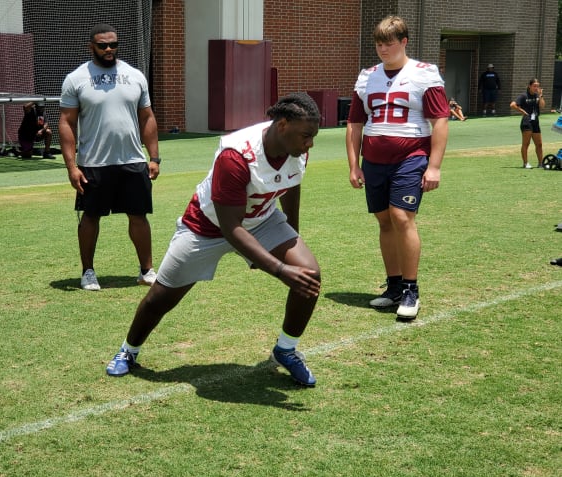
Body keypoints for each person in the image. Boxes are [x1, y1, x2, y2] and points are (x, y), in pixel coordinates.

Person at [105, 93, 322, 386]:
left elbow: (291, 183)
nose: (310, 143)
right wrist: (279, 269)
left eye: (312, 137)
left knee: (310, 276)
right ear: (282, 125)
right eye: (306, 136)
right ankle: (129, 350)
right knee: (162, 297)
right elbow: (231, 228)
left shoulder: (296, 148)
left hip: (262, 220)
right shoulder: (236, 155)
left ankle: (286, 350)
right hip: (208, 226)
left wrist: (289, 235)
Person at [345, 15, 449, 320]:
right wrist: (354, 165)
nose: (383, 49)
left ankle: (410, 289)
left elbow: (440, 121)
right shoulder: (367, 77)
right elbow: (354, 123)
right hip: (374, 161)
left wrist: (435, 167)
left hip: (411, 156)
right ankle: (393, 287)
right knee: (384, 221)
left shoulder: (424, 74)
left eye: (389, 43)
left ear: (404, 42)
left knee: (402, 217)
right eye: (379, 43)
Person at [58, 23, 160, 290]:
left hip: (132, 161)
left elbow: (147, 116)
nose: (108, 49)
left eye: (113, 44)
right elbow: (67, 123)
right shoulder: (76, 78)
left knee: (139, 216)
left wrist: (154, 157)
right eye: (102, 45)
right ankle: (88, 272)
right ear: (91, 46)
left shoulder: (135, 75)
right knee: (90, 217)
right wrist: (71, 167)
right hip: (93, 163)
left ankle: (146, 270)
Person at [510, 78, 546, 169]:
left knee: (539, 144)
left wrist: (541, 95)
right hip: (526, 122)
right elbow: (512, 105)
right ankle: (526, 163)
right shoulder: (523, 96)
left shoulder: (537, 96)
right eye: (534, 86)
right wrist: (522, 111)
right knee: (526, 143)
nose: (536, 88)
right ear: (529, 86)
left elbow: (542, 106)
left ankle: (541, 163)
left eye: (537, 86)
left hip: (535, 122)